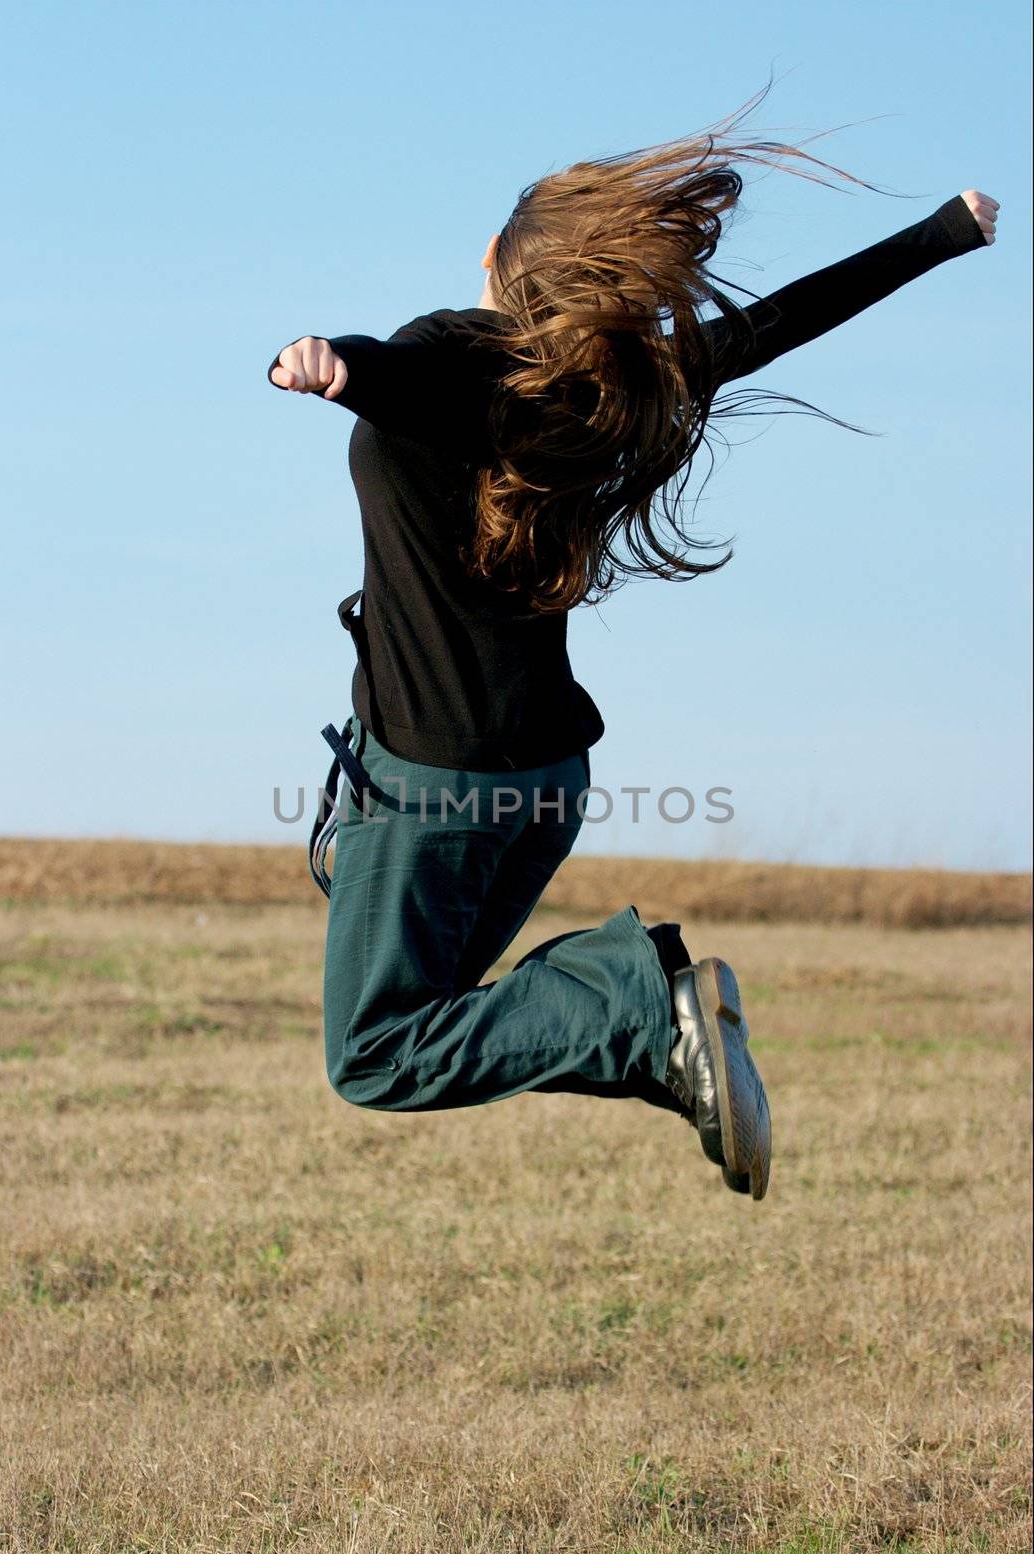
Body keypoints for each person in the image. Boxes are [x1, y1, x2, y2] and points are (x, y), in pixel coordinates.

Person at [267, 90, 999, 1203]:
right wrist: (942, 233)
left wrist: (339, 366)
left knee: (376, 1049)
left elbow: (408, 378)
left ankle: (643, 1003)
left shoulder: (449, 359)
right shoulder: (615, 391)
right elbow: (776, 324)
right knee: (462, 1016)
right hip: (547, 783)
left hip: (431, 790)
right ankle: (659, 1027)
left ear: (497, 263)